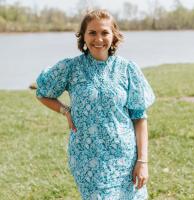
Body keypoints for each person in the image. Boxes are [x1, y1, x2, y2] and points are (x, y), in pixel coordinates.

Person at [36, 9, 155, 200]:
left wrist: (142, 161)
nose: (98, 39)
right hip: (87, 159)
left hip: (125, 158)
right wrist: (65, 110)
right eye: (92, 32)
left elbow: (139, 118)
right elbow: (42, 93)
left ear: (114, 36)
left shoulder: (128, 69)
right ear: (83, 36)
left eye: (104, 32)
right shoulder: (70, 68)